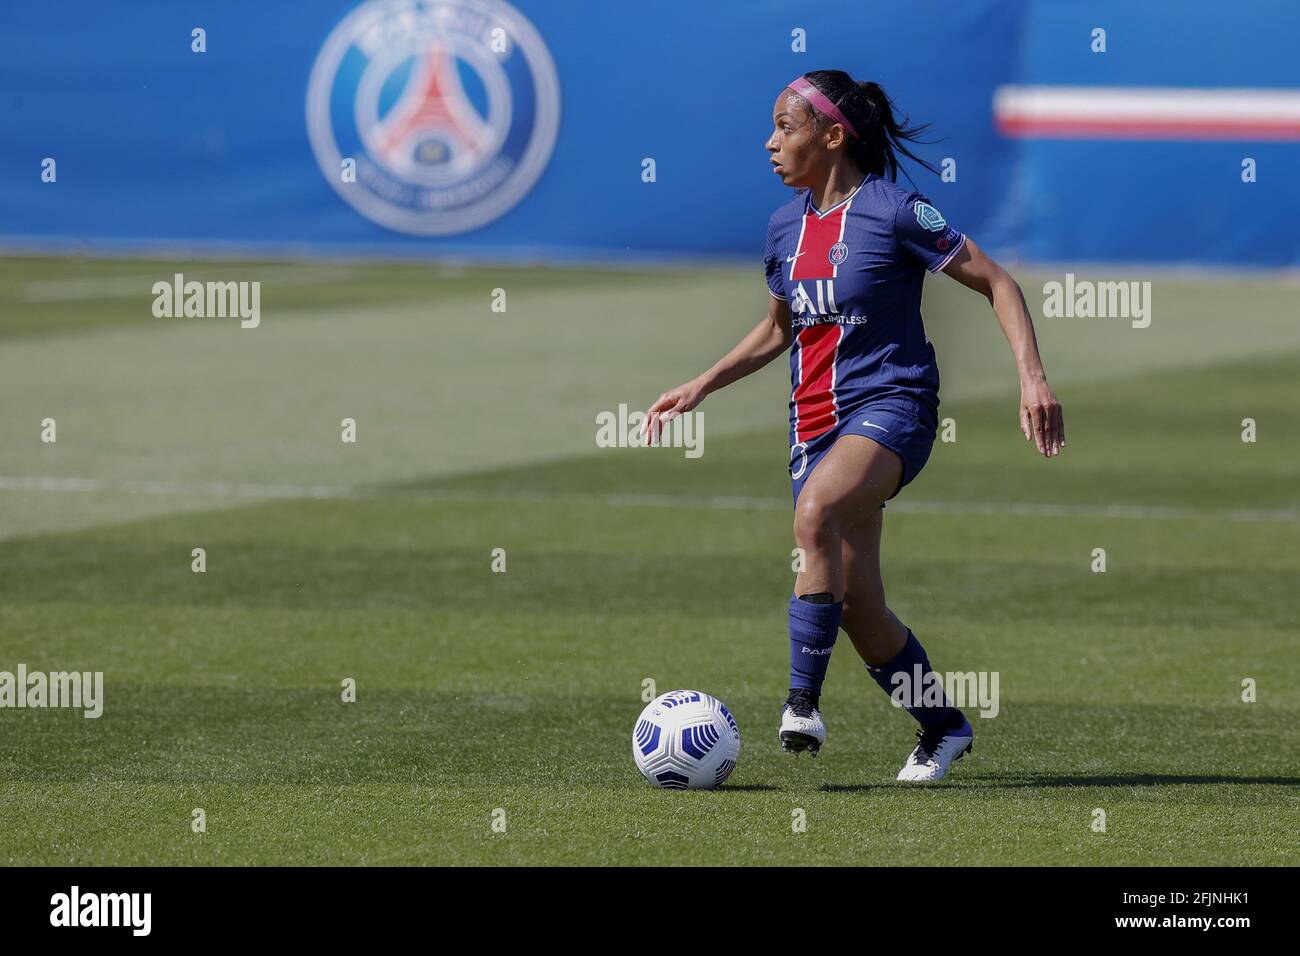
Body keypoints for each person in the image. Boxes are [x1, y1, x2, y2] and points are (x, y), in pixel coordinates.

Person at [641, 70, 1064, 781]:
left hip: (894, 406)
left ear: (833, 136)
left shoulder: (896, 211)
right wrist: (702, 384)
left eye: (786, 126)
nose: (770, 142)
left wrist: (1033, 377)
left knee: (816, 515)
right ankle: (943, 725)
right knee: (861, 607)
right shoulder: (784, 228)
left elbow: (997, 280)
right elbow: (779, 330)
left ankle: (801, 704)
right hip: (812, 426)